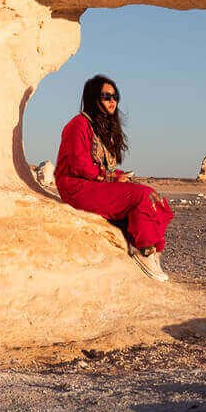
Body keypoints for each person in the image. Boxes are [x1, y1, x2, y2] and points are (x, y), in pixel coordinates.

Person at [54, 74, 174, 281]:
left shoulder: (100, 128)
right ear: (93, 98)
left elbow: (101, 166)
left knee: (156, 198)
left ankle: (153, 251)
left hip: (93, 183)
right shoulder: (78, 125)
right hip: (76, 187)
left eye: (115, 96)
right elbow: (78, 164)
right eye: (106, 96)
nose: (112, 101)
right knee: (141, 196)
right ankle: (143, 250)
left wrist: (118, 176)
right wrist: (110, 178)